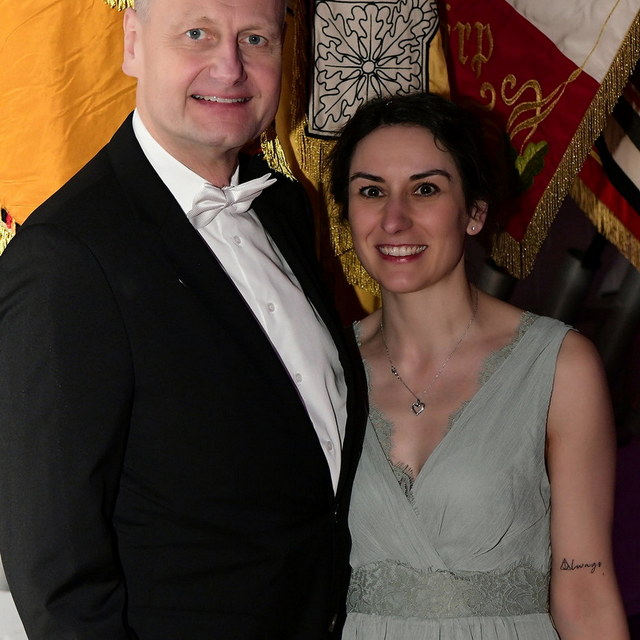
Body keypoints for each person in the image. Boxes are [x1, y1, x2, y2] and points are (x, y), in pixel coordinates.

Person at [0, 0, 367, 638]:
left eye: (256, 39)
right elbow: (56, 571)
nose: (230, 67)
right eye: (197, 34)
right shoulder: (67, 257)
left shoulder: (284, 205)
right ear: (133, 43)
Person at [327, 92, 630, 639]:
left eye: (425, 189)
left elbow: (585, 591)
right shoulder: (323, 365)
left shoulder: (559, 366)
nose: (394, 219)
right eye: (371, 191)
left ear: (474, 212)